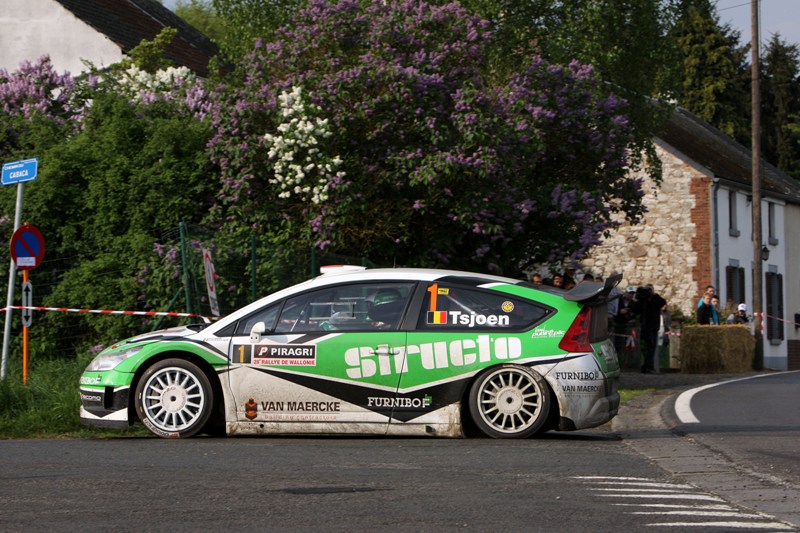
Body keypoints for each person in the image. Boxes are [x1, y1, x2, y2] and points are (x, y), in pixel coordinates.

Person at [634, 284, 667, 373]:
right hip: (645, 326)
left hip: (653, 327)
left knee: (651, 347)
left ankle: (649, 366)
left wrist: (654, 295)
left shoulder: (656, 300)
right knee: (645, 348)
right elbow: (636, 309)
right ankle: (646, 366)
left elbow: (663, 302)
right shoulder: (642, 301)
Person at [613, 286, 637, 356]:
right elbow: (612, 310)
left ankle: (623, 357)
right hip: (616, 324)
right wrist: (619, 312)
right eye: (630, 293)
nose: (631, 295)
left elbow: (633, 314)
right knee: (616, 342)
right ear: (625, 292)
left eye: (632, 294)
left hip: (626, 326)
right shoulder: (618, 300)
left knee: (624, 343)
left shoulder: (633, 303)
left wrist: (631, 317)